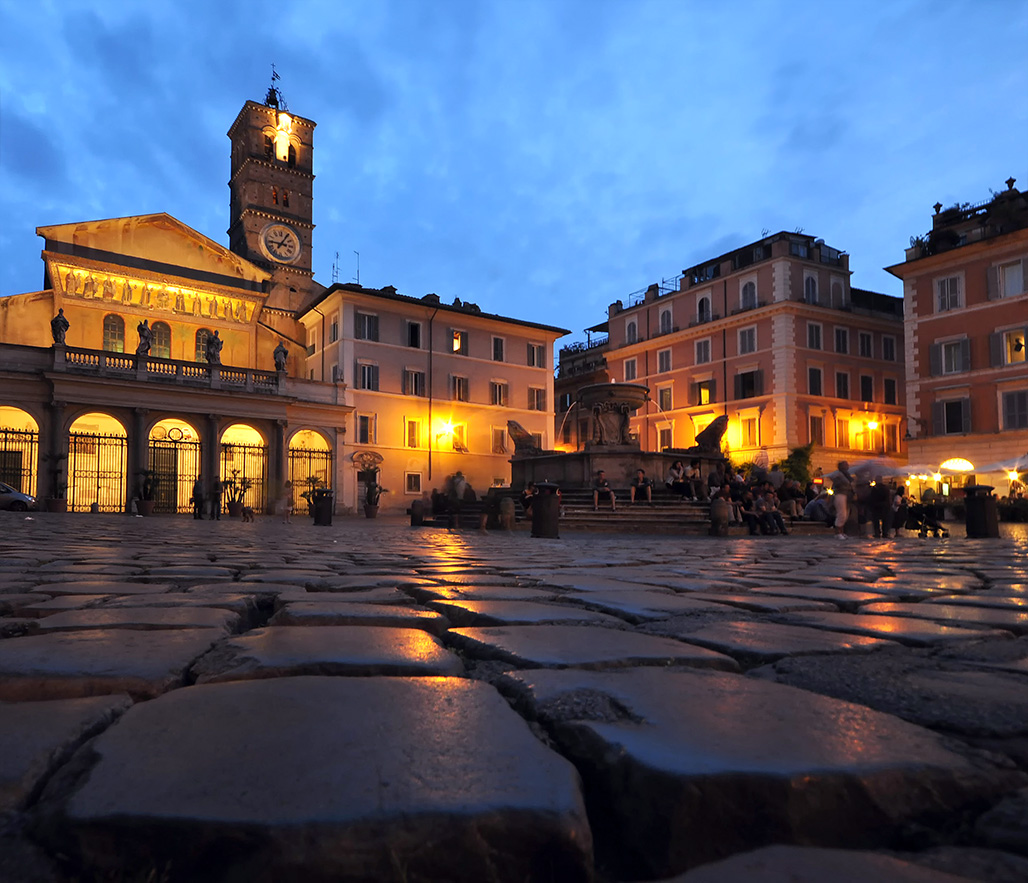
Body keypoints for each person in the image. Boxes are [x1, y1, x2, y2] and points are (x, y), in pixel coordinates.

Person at [831, 461, 854, 540]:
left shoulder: (847, 475)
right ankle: (838, 532)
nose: (847, 466)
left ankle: (842, 531)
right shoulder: (837, 474)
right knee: (841, 514)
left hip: (847, 495)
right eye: (845, 465)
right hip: (840, 494)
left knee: (846, 515)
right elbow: (836, 484)